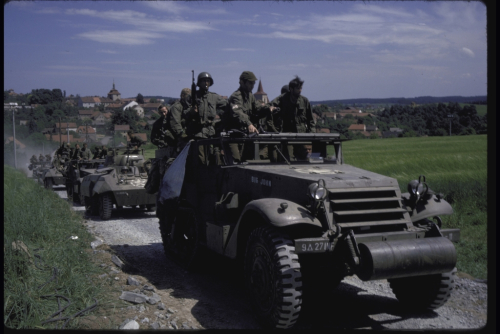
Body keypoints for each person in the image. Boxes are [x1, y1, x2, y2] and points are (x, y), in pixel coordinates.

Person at [227, 71, 276, 162]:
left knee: (248, 161)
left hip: (246, 136)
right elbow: (237, 113)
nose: (252, 86)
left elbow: (257, 108)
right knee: (236, 162)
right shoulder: (236, 96)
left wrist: (268, 109)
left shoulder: (250, 96)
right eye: (250, 83)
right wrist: (249, 123)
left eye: (253, 83)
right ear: (242, 82)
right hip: (234, 136)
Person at [184, 71, 228, 164]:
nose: (206, 83)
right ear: (199, 83)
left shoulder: (214, 97)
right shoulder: (192, 97)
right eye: (204, 81)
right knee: (201, 160)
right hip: (197, 133)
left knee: (213, 157)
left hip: (211, 133)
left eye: (208, 81)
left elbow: (228, 106)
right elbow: (184, 115)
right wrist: (191, 111)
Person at [269, 75, 316, 160]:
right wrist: (271, 108)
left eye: (301, 88)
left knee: (305, 159)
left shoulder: (304, 101)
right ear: (291, 89)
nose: (300, 90)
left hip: (302, 135)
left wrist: (311, 135)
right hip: (288, 135)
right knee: (288, 159)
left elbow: (311, 120)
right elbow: (271, 104)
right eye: (298, 88)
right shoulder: (283, 98)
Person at [165, 88, 191, 158]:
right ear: (183, 96)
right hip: (177, 138)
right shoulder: (176, 107)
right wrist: (184, 136)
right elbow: (175, 124)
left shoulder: (188, 106)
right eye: (188, 96)